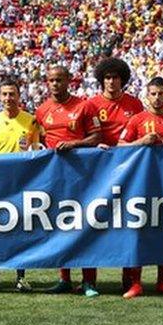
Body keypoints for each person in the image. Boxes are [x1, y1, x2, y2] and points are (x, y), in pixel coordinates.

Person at [35, 65, 101, 297]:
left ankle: (89, 281)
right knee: (60, 226)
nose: (55, 84)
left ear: (69, 81)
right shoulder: (42, 110)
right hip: (55, 177)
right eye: (51, 80)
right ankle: (64, 278)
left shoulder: (84, 105)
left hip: (83, 174)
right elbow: (40, 139)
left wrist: (74, 144)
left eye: (59, 80)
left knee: (85, 224)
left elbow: (96, 137)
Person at [118, 77, 163, 299]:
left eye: (161, 93)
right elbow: (120, 146)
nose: (157, 98)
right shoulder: (137, 120)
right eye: (153, 94)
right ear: (147, 95)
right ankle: (135, 283)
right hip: (140, 184)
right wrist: (142, 142)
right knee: (138, 230)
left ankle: (162, 282)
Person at [86, 57, 144, 294]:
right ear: (101, 80)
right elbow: (88, 134)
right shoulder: (91, 104)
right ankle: (89, 279)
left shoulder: (135, 104)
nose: (111, 81)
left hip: (130, 170)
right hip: (98, 171)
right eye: (107, 77)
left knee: (130, 222)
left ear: (123, 80)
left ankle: (129, 278)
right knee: (90, 222)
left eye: (116, 77)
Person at [0, 77, 40, 293]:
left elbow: (36, 151)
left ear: (18, 95)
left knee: (20, 230)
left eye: (11, 94)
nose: (8, 98)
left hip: (22, 183)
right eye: (4, 94)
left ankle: (20, 276)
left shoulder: (30, 121)